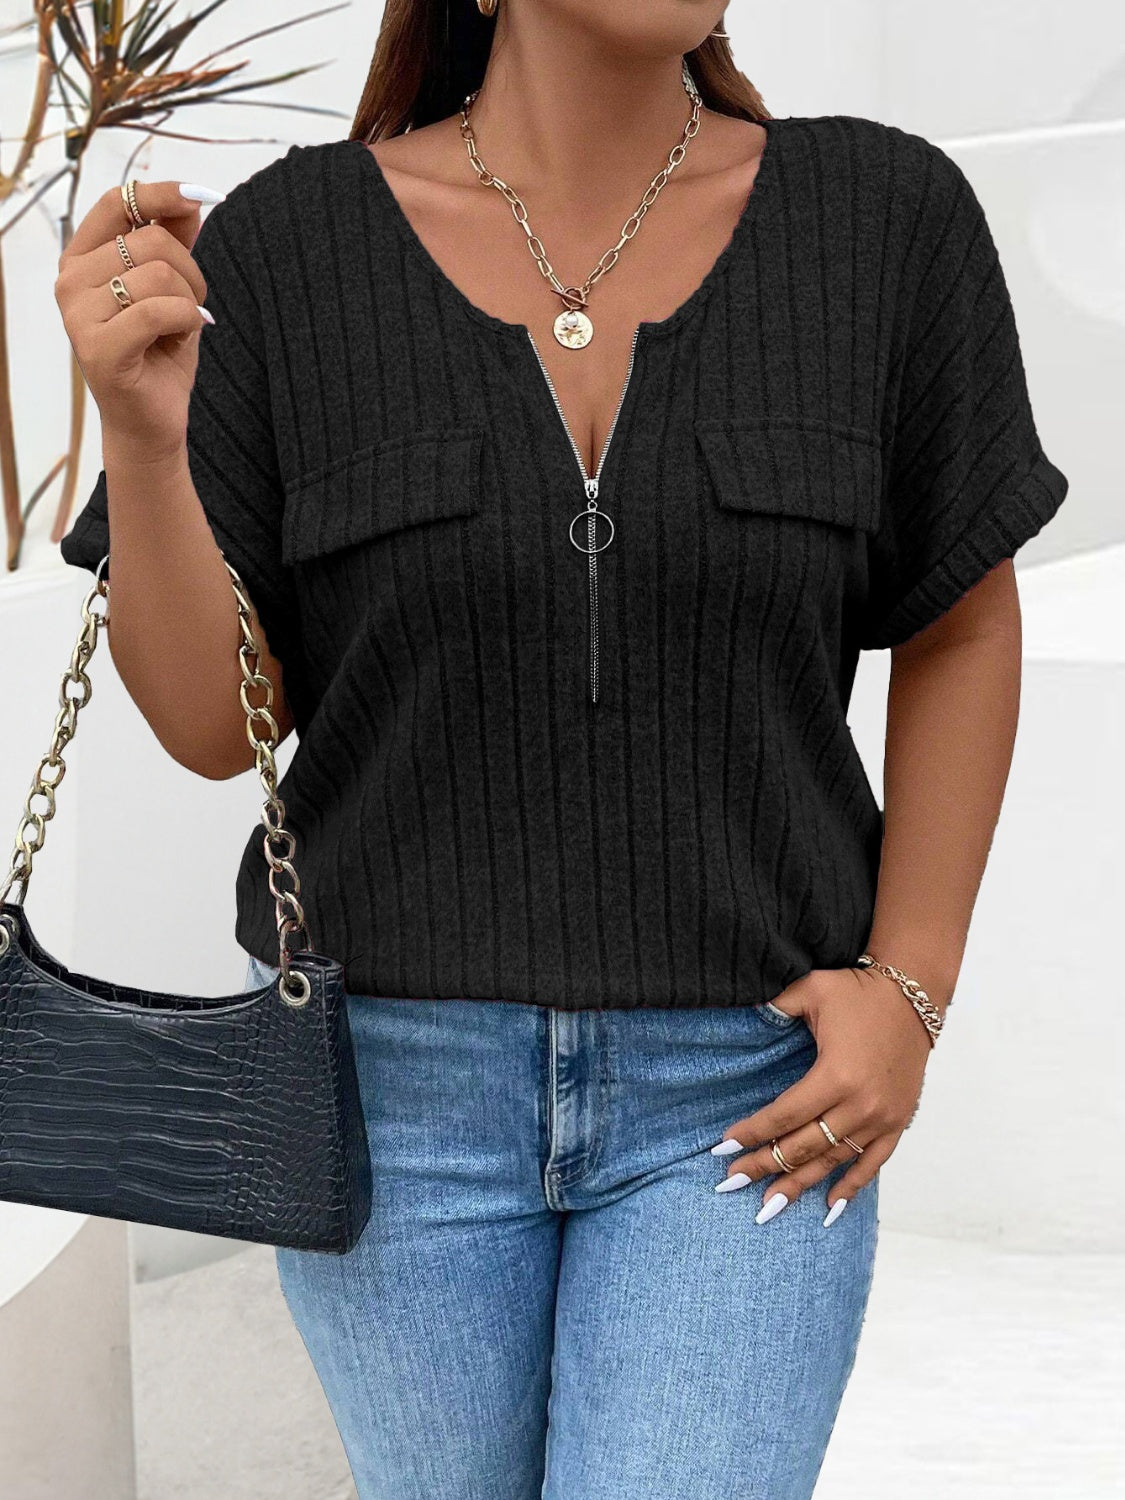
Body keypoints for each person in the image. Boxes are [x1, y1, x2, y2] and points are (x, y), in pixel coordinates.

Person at [55, 2, 1069, 1496]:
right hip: (384, 1098)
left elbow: (963, 621)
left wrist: (909, 991)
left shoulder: (883, 220)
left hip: (749, 1092)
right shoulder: (291, 248)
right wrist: (144, 442)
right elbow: (216, 726)